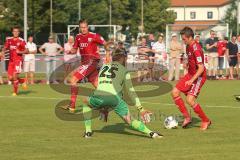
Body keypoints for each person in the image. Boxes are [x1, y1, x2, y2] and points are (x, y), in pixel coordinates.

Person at [81, 48, 163, 138]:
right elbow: (131, 92)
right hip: (115, 99)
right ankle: (151, 133)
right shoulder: (124, 71)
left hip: (99, 96)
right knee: (130, 120)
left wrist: (104, 107)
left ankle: (88, 132)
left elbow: (103, 86)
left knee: (85, 102)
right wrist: (141, 109)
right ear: (124, 58)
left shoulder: (103, 67)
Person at [62, 19, 111, 113]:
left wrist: (108, 55)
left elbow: (106, 45)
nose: (83, 29)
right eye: (81, 27)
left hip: (92, 62)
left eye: (84, 27)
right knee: (97, 84)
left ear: (87, 27)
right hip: (85, 63)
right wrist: (69, 51)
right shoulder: (78, 37)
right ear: (79, 28)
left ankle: (72, 106)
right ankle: (108, 102)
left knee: (73, 80)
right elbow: (74, 49)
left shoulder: (94, 36)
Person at [171, 27, 211, 131]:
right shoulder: (188, 46)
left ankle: (205, 120)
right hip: (190, 74)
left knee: (189, 99)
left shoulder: (196, 48)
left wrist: (192, 80)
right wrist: (187, 63)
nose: (183, 41)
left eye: (184, 39)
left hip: (199, 76)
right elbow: (191, 59)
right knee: (175, 92)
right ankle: (187, 117)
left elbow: (201, 68)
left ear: (190, 38)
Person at [0, 26, 28, 95]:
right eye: (14, 31)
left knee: (15, 76)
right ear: (12, 32)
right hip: (11, 61)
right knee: (10, 78)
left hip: (18, 61)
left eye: (17, 31)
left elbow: (27, 51)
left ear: (19, 32)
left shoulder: (21, 41)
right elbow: (5, 47)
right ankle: (22, 80)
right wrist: (2, 52)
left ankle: (15, 92)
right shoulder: (9, 40)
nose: (15, 33)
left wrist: (20, 52)